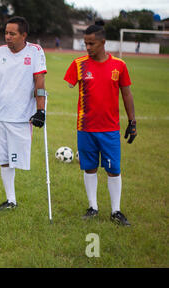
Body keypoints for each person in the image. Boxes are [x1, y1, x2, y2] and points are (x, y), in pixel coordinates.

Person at [64, 22, 137, 226]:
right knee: (89, 168)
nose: (88, 47)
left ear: (103, 42)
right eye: (85, 43)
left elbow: (127, 93)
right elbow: (69, 83)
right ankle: (93, 207)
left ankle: (116, 211)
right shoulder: (78, 64)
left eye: (92, 44)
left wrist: (132, 121)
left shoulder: (119, 66)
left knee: (114, 169)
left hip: (110, 129)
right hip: (85, 127)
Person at [0, 16, 47, 211]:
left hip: (22, 117)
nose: (7, 37)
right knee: (4, 159)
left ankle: (12, 199)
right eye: (6, 33)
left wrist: (41, 110)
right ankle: (11, 200)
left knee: (17, 159)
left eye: (12, 34)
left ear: (24, 35)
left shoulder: (35, 52)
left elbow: (39, 81)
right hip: (1, 114)